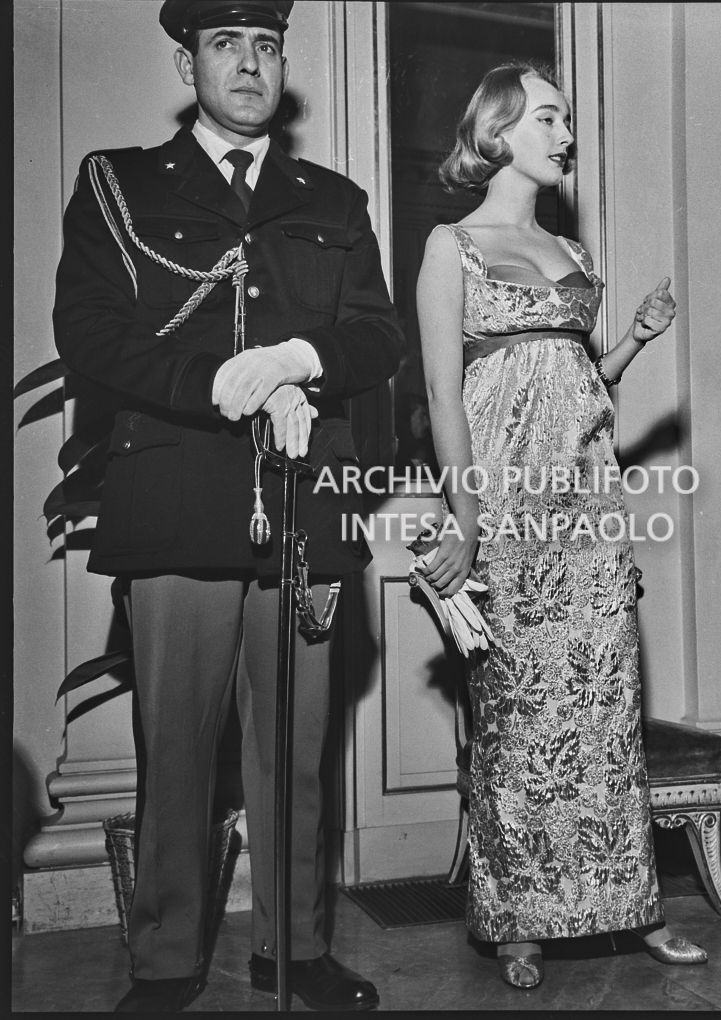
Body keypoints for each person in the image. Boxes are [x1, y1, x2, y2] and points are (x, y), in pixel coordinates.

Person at [51, 1, 403, 1011]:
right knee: (175, 750)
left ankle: (291, 949)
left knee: (294, 751)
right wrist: (226, 381)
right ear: (186, 60)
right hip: (176, 494)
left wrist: (302, 360)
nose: (248, 64)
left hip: (301, 499)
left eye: (264, 44)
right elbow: (91, 332)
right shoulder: (121, 184)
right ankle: (165, 964)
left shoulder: (329, 196)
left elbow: (376, 337)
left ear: (280, 60)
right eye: (223, 44)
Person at [414, 61, 707, 990]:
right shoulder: (449, 246)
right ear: (497, 131)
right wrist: (465, 516)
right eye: (548, 118)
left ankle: (632, 906)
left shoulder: (575, 257)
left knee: (606, 708)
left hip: (589, 508)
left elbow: (578, 379)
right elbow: (442, 394)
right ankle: (518, 922)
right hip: (504, 508)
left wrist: (635, 340)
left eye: (568, 119)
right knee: (518, 715)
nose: (565, 133)